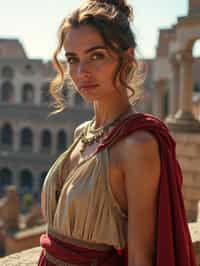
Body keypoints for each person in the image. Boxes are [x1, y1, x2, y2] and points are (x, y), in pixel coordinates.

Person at [38, 0, 197, 265]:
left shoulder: (137, 145)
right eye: (72, 59)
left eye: (96, 55)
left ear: (127, 58)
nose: (81, 72)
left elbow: (140, 257)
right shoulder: (81, 133)